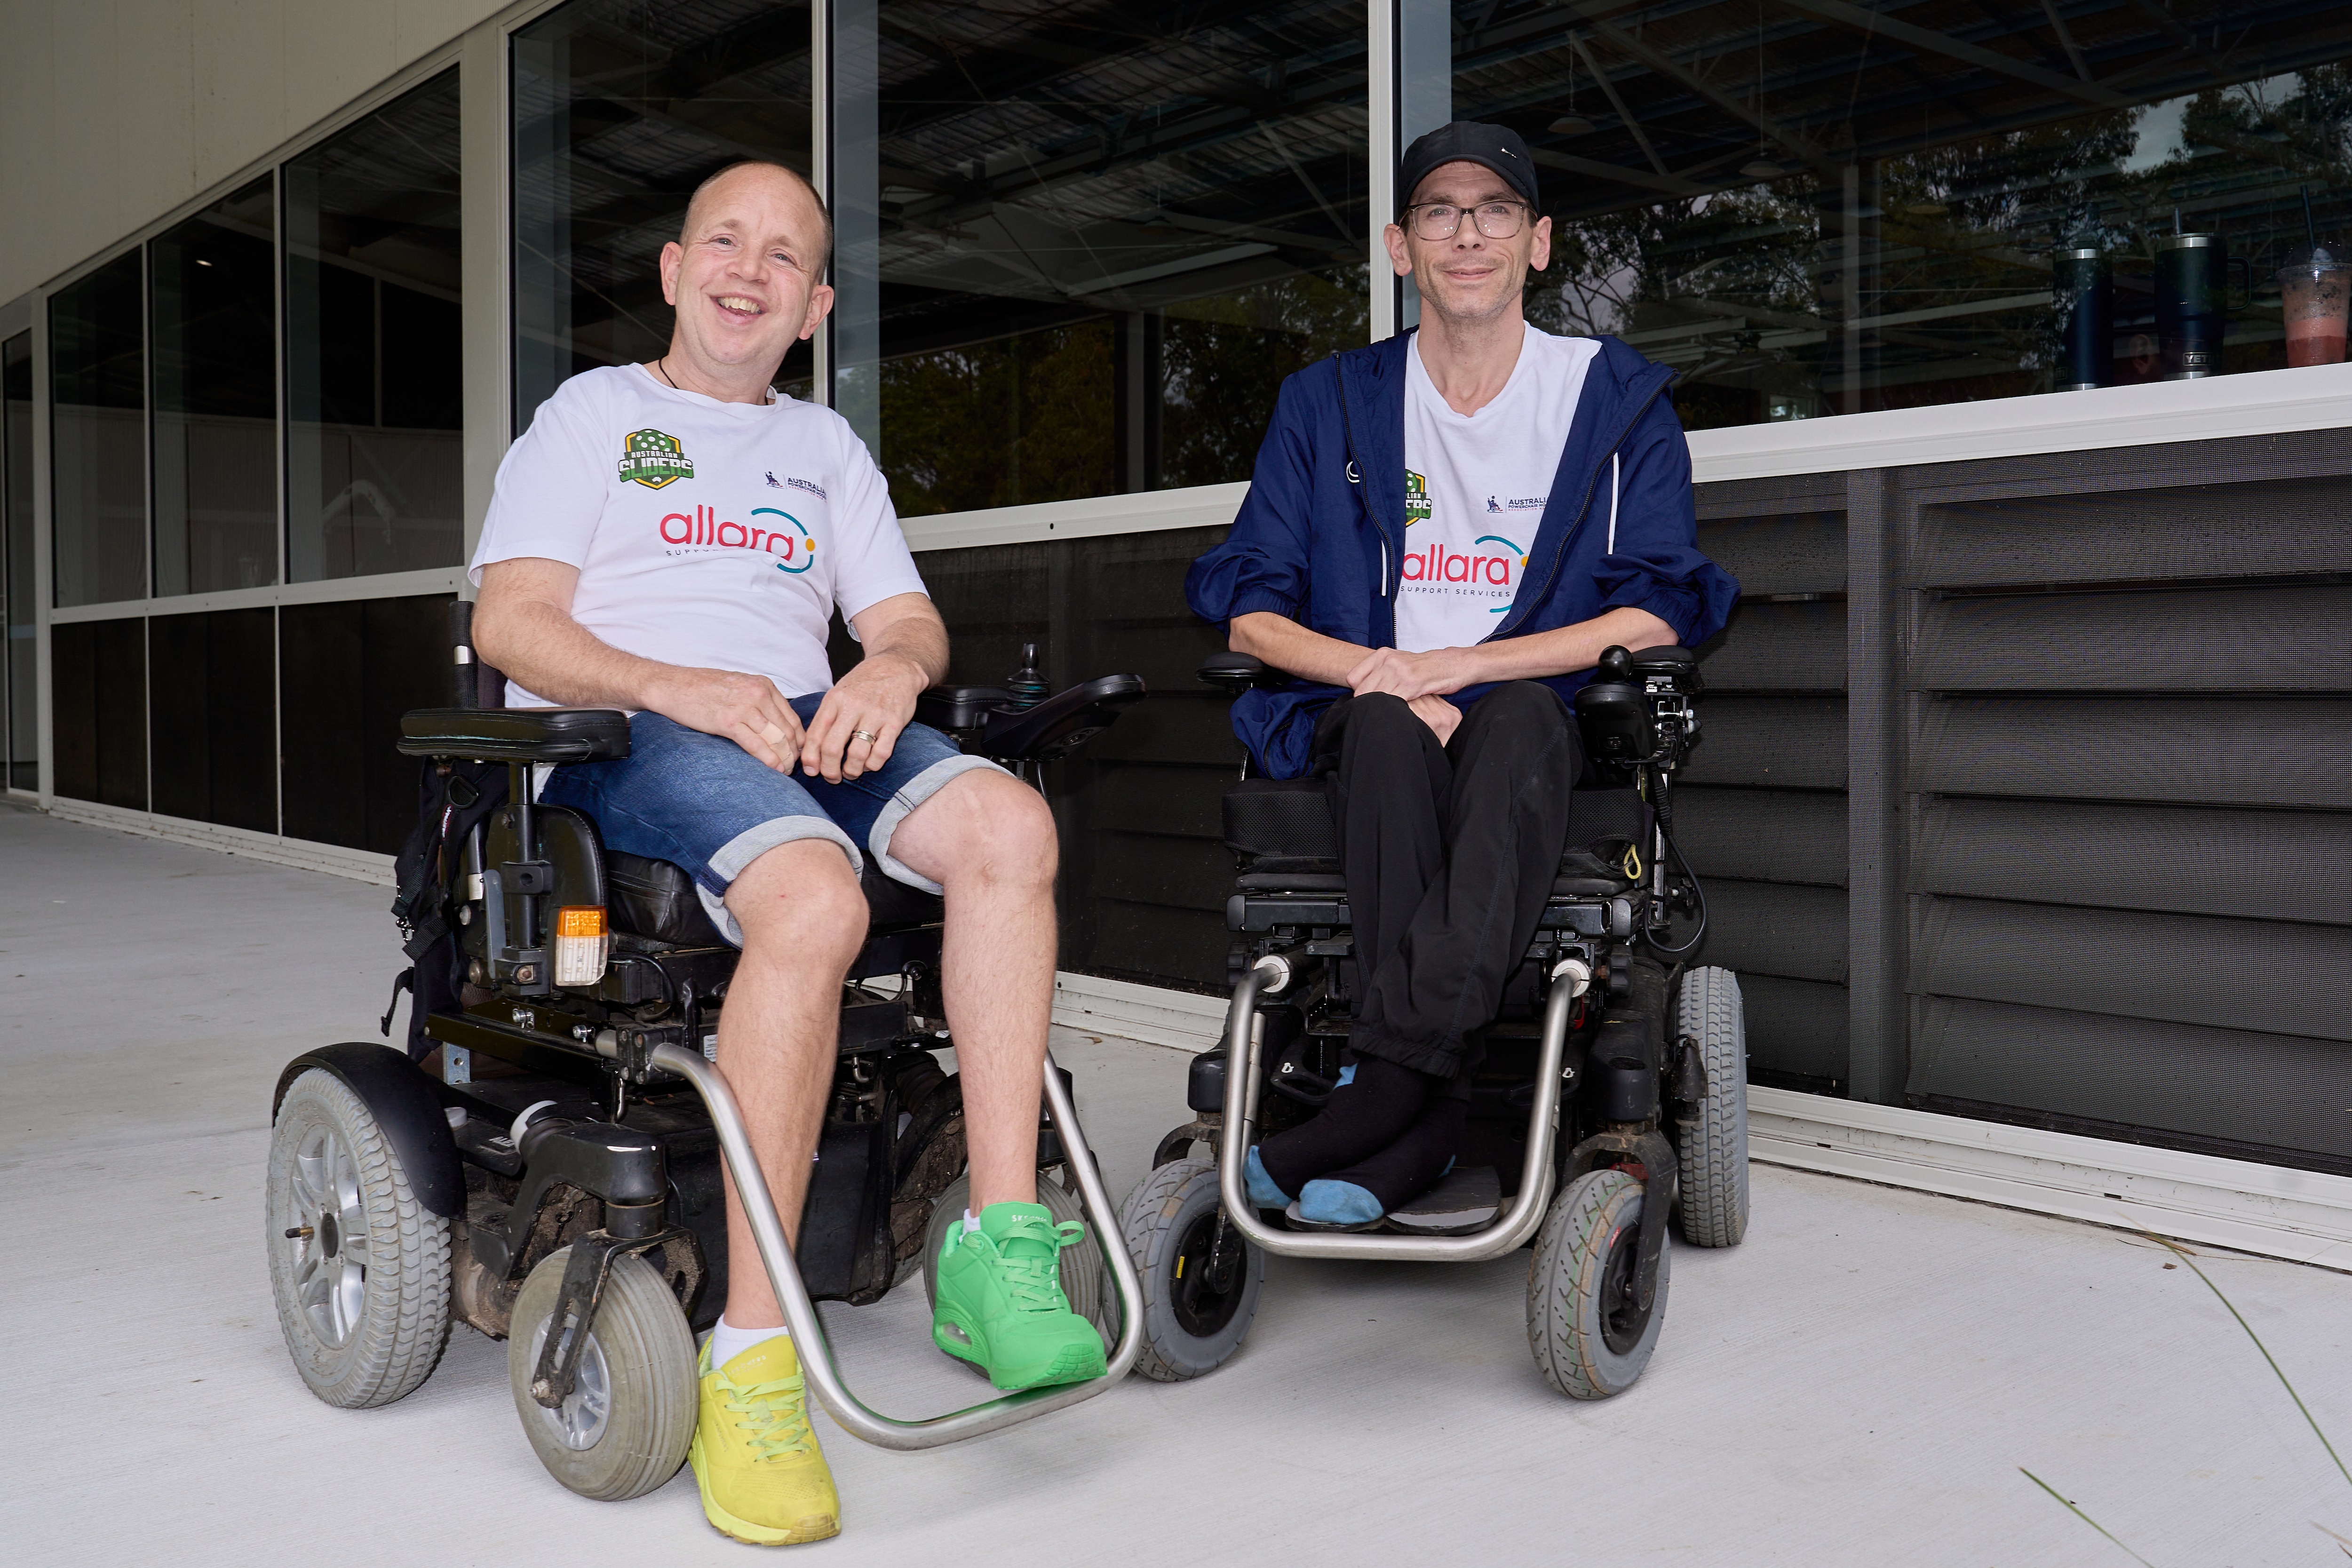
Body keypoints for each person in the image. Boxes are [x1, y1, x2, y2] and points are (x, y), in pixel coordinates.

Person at [470, 160, 1104, 1548]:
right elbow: (511, 622)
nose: (747, 271)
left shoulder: (825, 448)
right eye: (724, 241)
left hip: (805, 715)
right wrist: (678, 684)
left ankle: (1002, 1250)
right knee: (812, 899)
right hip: (629, 723)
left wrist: (887, 668)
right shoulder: (592, 417)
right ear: (673, 266)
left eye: (783, 257)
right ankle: (749, 1361)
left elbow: (910, 622)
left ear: (813, 305)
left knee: (1012, 824)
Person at [1184, 122, 1738, 1229]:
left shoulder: (1610, 399)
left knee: (1524, 717)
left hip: (1539, 713)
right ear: (1401, 246)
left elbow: (1661, 603)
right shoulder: (1330, 401)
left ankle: (1395, 1087)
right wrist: (1381, 673)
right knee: (1384, 730)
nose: (1466, 234)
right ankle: (1428, 1107)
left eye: (1493, 211)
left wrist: (1467, 663)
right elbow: (1249, 603)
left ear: (1538, 243)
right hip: (1371, 707)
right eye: (1439, 212)